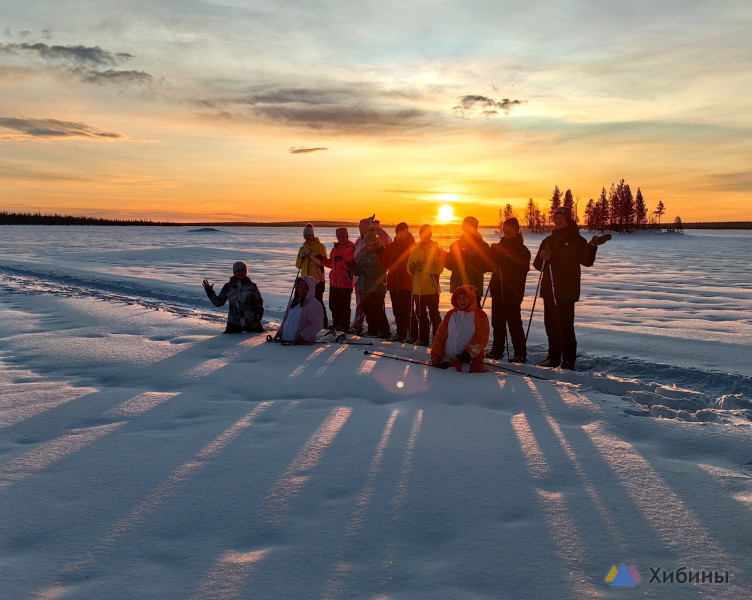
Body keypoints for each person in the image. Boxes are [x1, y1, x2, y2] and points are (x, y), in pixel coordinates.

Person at [532, 206, 600, 370]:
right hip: (549, 289)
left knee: (565, 326)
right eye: (556, 217)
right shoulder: (548, 240)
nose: (558, 220)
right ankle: (553, 357)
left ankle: (568, 360)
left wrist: (592, 247)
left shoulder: (576, 239)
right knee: (551, 325)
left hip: (566, 289)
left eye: (561, 217)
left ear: (568, 219)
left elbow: (586, 261)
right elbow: (537, 264)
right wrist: (544, 257)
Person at [488, 217, 531, 362]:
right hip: (497, 289)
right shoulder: (498, 246)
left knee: (514, 322)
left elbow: (523, 268)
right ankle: (497, 350)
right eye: (504, 227)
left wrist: (505, 262)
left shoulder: (522, 250)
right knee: (497, 322)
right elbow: (488, 264)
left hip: (513, 291)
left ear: (516, 230)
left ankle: (520, 353)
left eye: (510, 227)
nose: (507, 230)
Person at [430, 285, 490, 373]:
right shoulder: (450, 314)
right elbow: (440, 336)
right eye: (458, 298)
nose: (461, 301)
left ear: (471, 298)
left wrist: (468, 353)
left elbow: (481, 338)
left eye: (464, 298)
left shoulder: (480, 315)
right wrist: (436, 355)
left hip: (468, 362)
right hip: (447, 361)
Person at [348, 230, 391, 338]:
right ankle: (373, 330)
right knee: (367, 310)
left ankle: (385, 331)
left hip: (376, 288)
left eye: (371, 241)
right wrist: (353, 267)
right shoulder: (362, 255)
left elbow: (382, 271)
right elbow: (358, 271)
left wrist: (366, 271)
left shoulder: (379, 253)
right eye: (367, 241)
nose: (369, 244)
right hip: (364, 287)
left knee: (377, 310)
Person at [407, 224, 444, 346]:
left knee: (434, 315)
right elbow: (408, 267)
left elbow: (439, 268)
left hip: (432, 289)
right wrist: (412, 267)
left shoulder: (436, 248)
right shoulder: (415, 249)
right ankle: (423, 339)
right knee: (421, 315)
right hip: (418, 289)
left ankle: (438, 339)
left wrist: (427, 267)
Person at [202, 261, 264, 334]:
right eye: (238, 270)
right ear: (234, 272)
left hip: (251, 325)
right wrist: (209, 291)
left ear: (246, 272)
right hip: (234, 326)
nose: (241, 273)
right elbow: (218, 303)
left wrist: (256, 320)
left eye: (243, 270)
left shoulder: (252, 286)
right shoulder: (228, 287)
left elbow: (259, 304)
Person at [445, 216, 493, 307]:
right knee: (458, 315)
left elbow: (487, 266)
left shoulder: (482, 246)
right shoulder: (456, 245)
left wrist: (472, 257)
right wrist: (443, 256)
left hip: (474, 287)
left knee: (474, 314)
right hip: (458, 286)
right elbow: (450, 265)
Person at [384, 222, 416, 341]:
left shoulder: (413, 246)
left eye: (403, 232)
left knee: (407, 311)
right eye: (399, 232)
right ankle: (401, 332)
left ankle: (410, 334)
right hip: (393, 283)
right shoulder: (390, 247)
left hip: (407, 283)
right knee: (396, 310)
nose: (401, 234)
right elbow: (384, 263)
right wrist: (378, 253)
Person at [322, 227, 356, 332]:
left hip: (345, 283)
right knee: (333, 305)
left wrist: (342, 261)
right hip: (334, 283)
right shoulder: (335, 249)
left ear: (347, 236)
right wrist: (322, 260)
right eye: (340, 237)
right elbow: (332, 264)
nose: (342, 238)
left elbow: (351, 265)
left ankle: (344, 325)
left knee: (344, 306)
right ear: (337, 237)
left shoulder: (351, 248)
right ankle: (336, 324)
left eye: (344, 236)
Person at [296, 223, 329, 329]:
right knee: (305, 302)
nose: (307, 237)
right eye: (305, 235)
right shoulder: (302, 248)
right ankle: (307, 321)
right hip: (305, 280)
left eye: (309, 235)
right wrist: (301, 257)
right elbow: (298, 266)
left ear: (313, 235)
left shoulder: (320, 247)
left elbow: (322, 262)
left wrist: (311, 254)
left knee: (318, 301)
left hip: (318, 280)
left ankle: (323, 322)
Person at [275, 275, 324, 344]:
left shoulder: (314, 305)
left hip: (301, 347)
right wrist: (280, 333)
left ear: (310, 289)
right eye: (300, 287)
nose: (301, 290)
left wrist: (302, 338)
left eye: (305, 289)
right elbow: (286, 319)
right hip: (286, 342)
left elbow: (317, 325)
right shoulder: (294, 302)